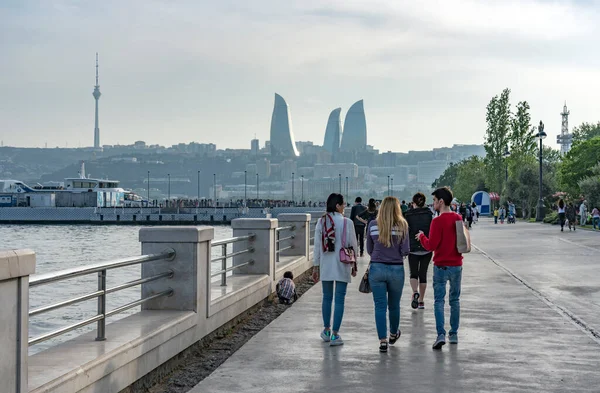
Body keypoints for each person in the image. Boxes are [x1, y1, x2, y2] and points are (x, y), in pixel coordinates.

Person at [417, 187, 469, 350]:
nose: (433, 204)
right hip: (456, 266)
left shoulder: (437, 221)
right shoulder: (457, 218)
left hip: (440, 266)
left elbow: (431, 245)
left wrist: (422, 237)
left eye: (434, 200)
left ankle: (440, 334)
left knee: (439, 301)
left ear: (441, 201)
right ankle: (453, 334)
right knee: (455, 300)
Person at [313, 193, 358, 346]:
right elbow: (353, 246)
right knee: (339, 299)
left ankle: (326, 330)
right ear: (338, 205)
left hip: (326, 264)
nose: (345, 206)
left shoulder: (321, 221)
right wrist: (354, 265)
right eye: (343, 204)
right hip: (342, 263)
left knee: (326, 297)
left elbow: (317, 246)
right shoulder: (347, 222)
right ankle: (335, 335)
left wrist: (315, 266)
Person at [367, 196, 409, 352]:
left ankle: (382, 340)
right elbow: (405, 250)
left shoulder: (372, 225)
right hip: (396, 268)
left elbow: (369, 249)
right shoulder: (403, 225)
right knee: (394, 305)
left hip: (377, 268)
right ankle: (393, 334)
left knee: (379, 306)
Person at [404, 192, 433, 310]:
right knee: (423, 274)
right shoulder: (429, 214)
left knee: (413, 273)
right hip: (426, 247)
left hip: (413, 248)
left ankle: (415, 292)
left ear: (413, 203)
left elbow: (405, 232)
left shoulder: (408, 215)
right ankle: (421, 301)